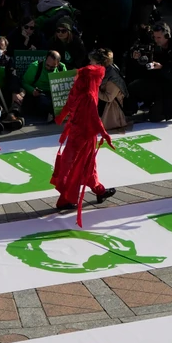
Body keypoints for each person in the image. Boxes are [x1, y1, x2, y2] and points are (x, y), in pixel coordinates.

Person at [50, 64, 117, 224]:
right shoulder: (88, 94)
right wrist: (105, 134)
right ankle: (65, 200)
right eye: (99, 78)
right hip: (85, 135)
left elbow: (68, 105)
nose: (100, 81)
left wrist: (61, 117)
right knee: (79, 167)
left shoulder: (77, 89)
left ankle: (98, 190)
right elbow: (94, 118)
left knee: (83, 165)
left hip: (76, 133)